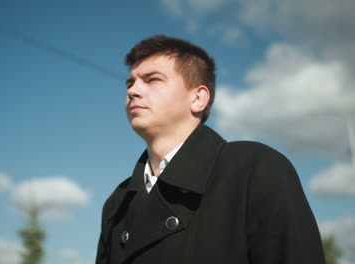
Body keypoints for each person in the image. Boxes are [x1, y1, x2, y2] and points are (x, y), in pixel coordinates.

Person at [96, 35, 325, 264]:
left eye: (152, 79)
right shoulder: (117, 202)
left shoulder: (255, 169)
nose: (133, 90)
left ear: (198, 98)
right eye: (130, 82)